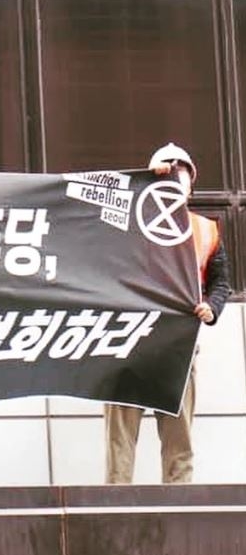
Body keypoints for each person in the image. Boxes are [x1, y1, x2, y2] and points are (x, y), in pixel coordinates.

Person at [104, 143, 232, 484]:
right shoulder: (126, 224)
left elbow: (221, 284)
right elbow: (95, 207)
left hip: (178, 347)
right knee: (120, 441)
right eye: (167, 173)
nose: (175, 180)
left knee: (179, 441)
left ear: (192, 184)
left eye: (181, 175)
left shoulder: (205, 230)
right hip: (128, 344)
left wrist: (212, 308)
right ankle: (114, 508)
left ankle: (179, 507)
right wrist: (143, 182)